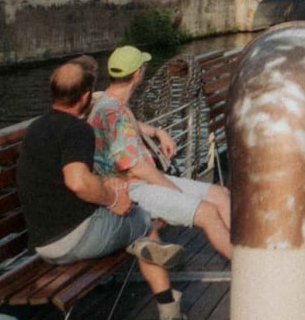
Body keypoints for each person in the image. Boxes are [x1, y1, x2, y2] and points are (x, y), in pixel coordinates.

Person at [16, 59, 188, 320]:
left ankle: (137, 244)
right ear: (85, 97)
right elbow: (77, 180)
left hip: (43, 244)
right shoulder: (77, 130)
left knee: (127, 216)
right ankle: (170, 313)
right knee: (142, 219)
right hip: (76, 240)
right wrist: (112, 199)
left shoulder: (36, 127)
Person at [89, 46, 233, 263]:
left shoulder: (107, 103)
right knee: (208, 212)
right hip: (133, 188)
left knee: (221, 194)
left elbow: (128, 125)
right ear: (138, 75)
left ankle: (246, 255)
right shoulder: (114, 113)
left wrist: (157, 131)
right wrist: (173, 190)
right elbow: (137, 168)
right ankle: (248, 269)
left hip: (141, 181)